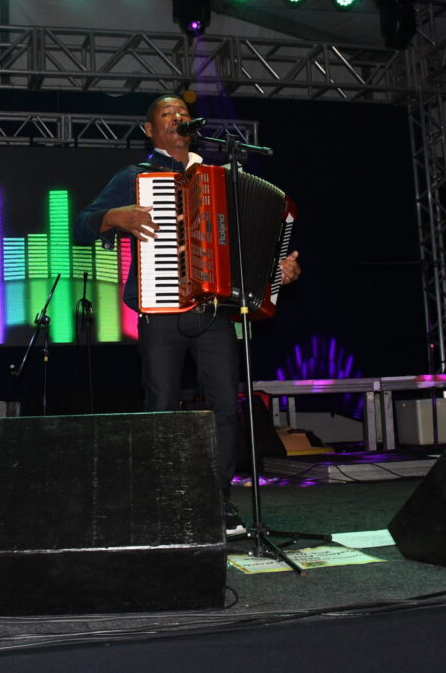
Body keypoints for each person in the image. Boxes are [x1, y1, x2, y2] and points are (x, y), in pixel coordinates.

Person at [73, 95, 300, 537]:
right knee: (161, 407)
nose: (177, 117)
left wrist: (279, 270)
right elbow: (83, 225)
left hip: (215, 311)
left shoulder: (222, 178)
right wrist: (114, 216)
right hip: (161, 313)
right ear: (149, 130)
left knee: (225, 409)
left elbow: (244, 245)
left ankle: (218, 503)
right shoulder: (135, 177)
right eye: (166, 114)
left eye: (182, 113)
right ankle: (163, 502)